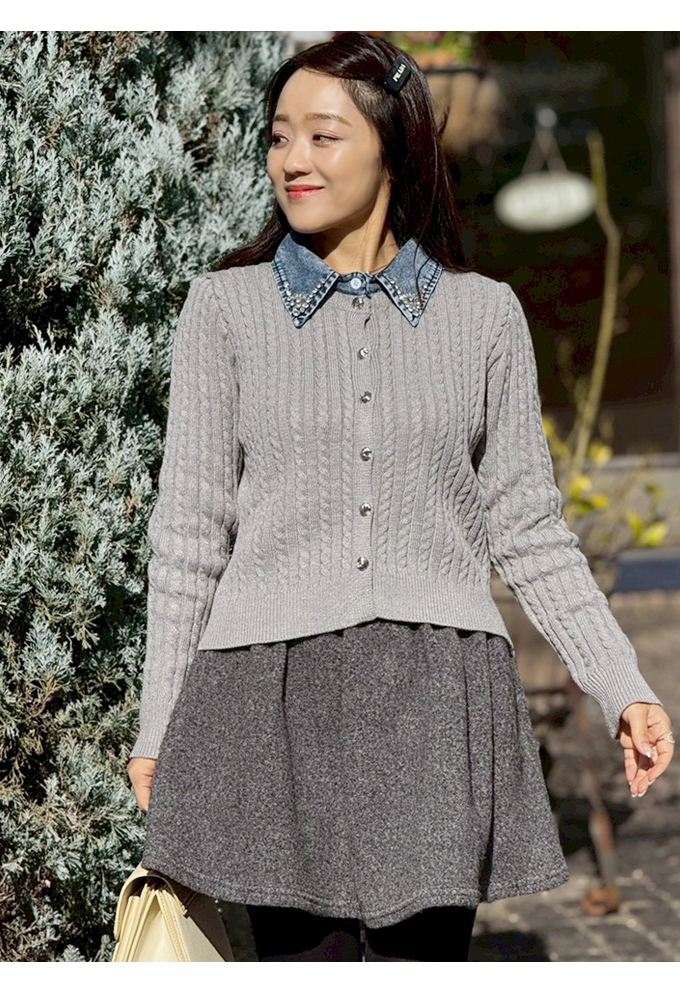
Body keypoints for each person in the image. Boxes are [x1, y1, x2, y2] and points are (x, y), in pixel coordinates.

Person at [126, 32, 674, 962]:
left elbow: (530, 532)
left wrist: (623, 685)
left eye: (323, 134)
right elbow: (189, 535)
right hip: (269, 696)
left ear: (393, 146)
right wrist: (157, 727)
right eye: (279, 136)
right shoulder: (225, 311)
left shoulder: (485, 317)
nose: (292, 159)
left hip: (433, 696)